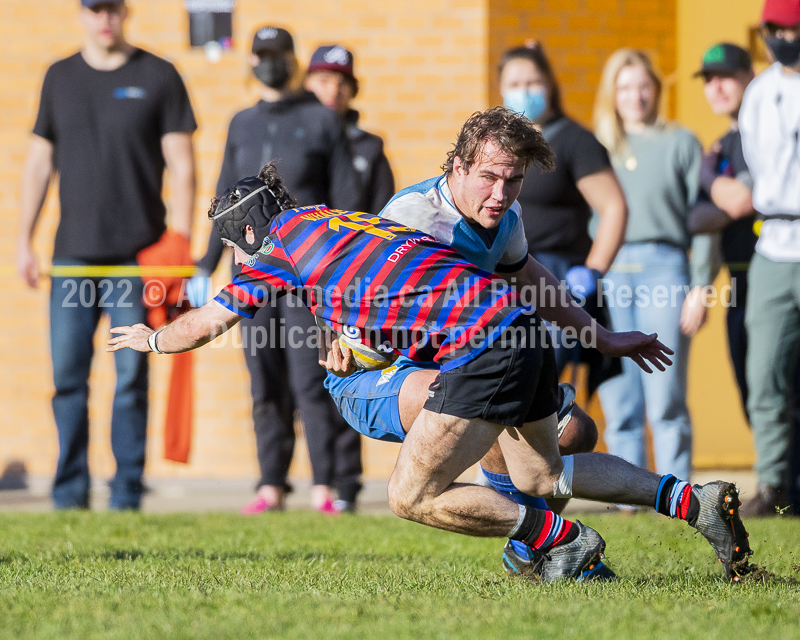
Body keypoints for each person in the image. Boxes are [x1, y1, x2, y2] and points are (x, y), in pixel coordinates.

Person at [109, 157, 752, 584]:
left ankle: (563, 542)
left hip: (473, 352)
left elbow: (209, 322)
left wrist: (153, 339)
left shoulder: (275, 254)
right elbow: (396, 282)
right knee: (542, 472)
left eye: (231, 249)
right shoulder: (346, 219)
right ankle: (689, 501)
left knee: (409, 495)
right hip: (518, 327)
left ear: (246, 236)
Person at [16, 0, 196, 510]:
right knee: (68, 378)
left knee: (130, 379)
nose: (104, 19)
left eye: (112, 9)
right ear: (81, 14)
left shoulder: (159, 75)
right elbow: (38, 164)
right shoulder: (59, 77)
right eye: (95, 9)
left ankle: (126, 493)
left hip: (136, 260)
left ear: (125, 13)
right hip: (71, 256)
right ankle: (69, 492)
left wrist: (178, 245)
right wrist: (23, 240)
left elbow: (182, 166)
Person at [190, 26, 364, 515]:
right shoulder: (240, 123)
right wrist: (206, 263)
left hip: (306, 273)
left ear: (293, 60)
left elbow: (346, 198)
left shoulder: (321, 120)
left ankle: (323, 485)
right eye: (261, 55)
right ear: (251, 62)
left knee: (311, 377)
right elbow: (223, 200)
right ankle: (271, 484)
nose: (270, 63)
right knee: (263, 379)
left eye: (277, 55)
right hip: (251, 272)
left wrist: (341, 263)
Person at [592, 49, 717, 487]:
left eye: (644, 86)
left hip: (665, 269)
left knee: (664, 397)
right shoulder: (598, 146)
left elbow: (704, 220)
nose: (635, 96)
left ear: (657, 91)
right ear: (612, 93)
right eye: (624, 87)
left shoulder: (681, 142)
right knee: (620, 400)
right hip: (607, 271)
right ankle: (629, 498)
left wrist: (701, 286)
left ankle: (681, 499)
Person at [498, 42, 628, 381]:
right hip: (503, 275)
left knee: (540, 382)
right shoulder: (498, 145)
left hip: (557, 277)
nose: (523, 92)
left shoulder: (575, 141)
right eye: (514, 85)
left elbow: (614, 207)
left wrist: (593, 271)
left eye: (532, 83)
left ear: (550, 85)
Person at [737, 0, 800, 515]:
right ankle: (775, 485)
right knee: (765, 375)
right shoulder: (760, 93)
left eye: (792, 28)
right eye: (774, 29)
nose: (783, 36)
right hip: (775, 243)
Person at [304, 44, 395, 214]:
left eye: (343, 83)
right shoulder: (285, 135)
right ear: (306, 83)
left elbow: (384, 215)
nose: (334, 90)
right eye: (324, 80)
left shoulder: (369, 147)